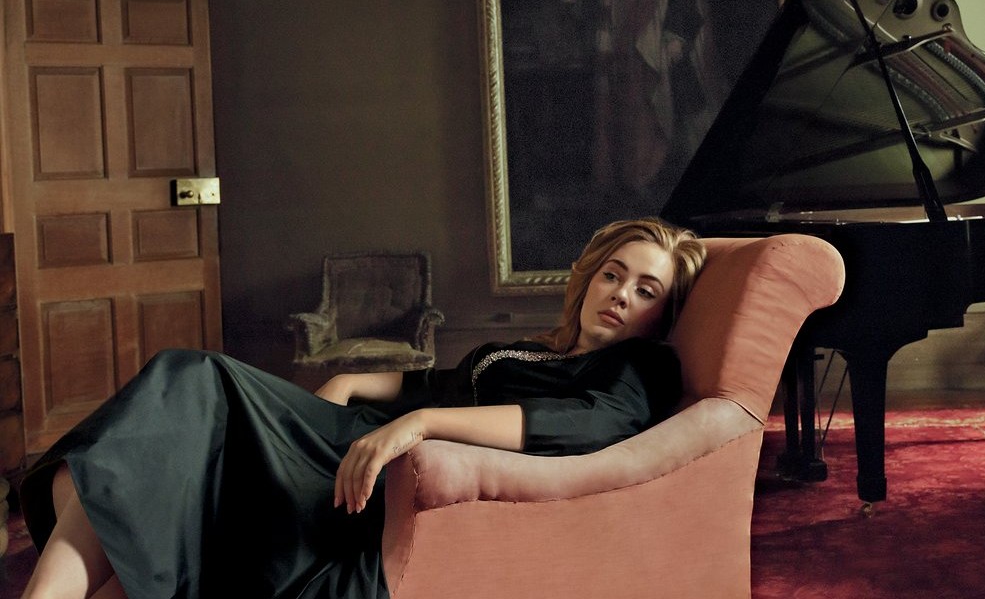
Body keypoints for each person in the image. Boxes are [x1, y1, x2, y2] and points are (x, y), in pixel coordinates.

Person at [18, 217, 707, 599]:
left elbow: (580, 428)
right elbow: (434, 382)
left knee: (191, 383)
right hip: (351, 437)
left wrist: (416, 425)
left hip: (376, 474)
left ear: (663, 312)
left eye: (646, 290)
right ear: (589, 278)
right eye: (613, 274)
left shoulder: (640, 368)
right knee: (169, 436)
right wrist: (351, 379)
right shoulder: (536, 351)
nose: (621, 294)